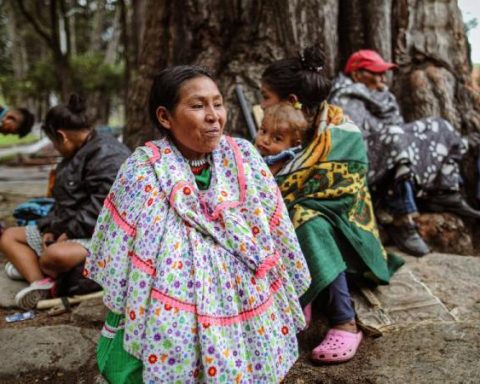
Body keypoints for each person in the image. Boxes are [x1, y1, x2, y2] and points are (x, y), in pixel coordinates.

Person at [84, 65, 311, 383]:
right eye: (197, 105)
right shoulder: (144, 169)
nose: (213, 116)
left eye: (218, 104)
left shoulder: (243, 157)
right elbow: (134, 248)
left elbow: (269, 229)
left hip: (241, 288)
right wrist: (200, 261)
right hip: (170, 293)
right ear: (165, 117)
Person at [258, 47, 404, 364]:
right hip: (296, 228)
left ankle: (344, 321)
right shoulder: (276, 131)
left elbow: (345, 194)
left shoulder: (342, 132)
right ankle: (301, 291)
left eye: (266, 96)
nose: (261, 103)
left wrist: (284, 192)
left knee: (307, 218)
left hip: (347, 232)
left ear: (291, 100)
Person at [329, 49, 480, 256]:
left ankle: (444, 191)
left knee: (439, 126)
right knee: (395, 137)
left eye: (383, 72)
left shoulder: (385, 98)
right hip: (364, 166)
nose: (382, 77)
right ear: (357, 75)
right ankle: (401, 217)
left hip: (393, 153)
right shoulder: (345, 97)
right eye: (376, 72)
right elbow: (355, 140)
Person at [0, 94, 130, 309]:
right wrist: (52, 227)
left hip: (103, 236)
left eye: (54, 143)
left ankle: (37, 268)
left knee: (53, 256)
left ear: (62, 136)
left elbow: (102, 210)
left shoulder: (108, 156)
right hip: (72, 229)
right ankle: (41, 285)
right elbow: (67, 204)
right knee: (9, 237)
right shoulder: (79, 150)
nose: (56, 148)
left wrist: (66, 232)